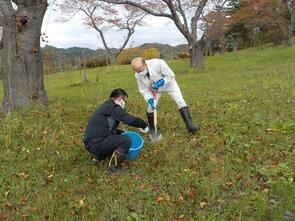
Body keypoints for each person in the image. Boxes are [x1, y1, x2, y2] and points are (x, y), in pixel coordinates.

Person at [83, 88, 148, 174]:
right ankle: (114, 168)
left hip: (90, 143)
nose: (124, 104)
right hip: (96, 144)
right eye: (125, 101)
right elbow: (130, 120)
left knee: (118, 136)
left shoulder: (106, 106)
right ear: (120, 98)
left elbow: (107, 128)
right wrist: (144, 125)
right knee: (126, 140)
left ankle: (99, 157)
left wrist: (121, 132)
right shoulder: (113, 107)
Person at [131, 57, 200, 135]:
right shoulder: (138, 75)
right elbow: (143, 90)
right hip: (155, 90)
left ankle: (190, 126)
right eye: (137, 71)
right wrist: (150, 99)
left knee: (180, 100)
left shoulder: (158, 63)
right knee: (150, 108)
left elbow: (171, 75)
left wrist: (160, 83)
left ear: (145, 64)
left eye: (140, 70)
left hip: (169, 84)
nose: (139, 73)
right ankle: (153, 130)